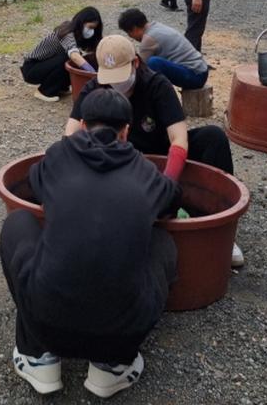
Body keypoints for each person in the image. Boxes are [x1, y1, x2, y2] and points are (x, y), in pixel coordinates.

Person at [0, 88, 180, 398]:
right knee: (163, 242)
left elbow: (35, 183)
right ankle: (111, 367)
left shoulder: (59, 156)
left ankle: (37, 356)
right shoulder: (145, 172)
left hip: (46, 323)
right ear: (126, 131)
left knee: (18, 223)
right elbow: (172, 199)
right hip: (121, 334)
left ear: (82, 126)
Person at [65, 35, 243, 267]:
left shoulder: (157, 85)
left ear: (135, 63)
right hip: (118, 161)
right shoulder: (95, 89)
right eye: (110, 78)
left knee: (213, 137)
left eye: (120, 76)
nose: (116, 84)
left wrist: (166, 184)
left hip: (160, 154)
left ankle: (219, 228)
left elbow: (179, 138)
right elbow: (71, 134)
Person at [20, 7, 103, 103]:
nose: (92, 31)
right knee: (70, 58)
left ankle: (61, 87)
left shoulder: (77, 33)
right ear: (81, 22)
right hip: (31, 68)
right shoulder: (67, 32)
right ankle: (44, 91)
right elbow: (74, 56)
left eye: (94, 28)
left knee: (76, 58)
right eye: (90, 27)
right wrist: (92, 72)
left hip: (44, 65)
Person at [118, 8, 208, 91]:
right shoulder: (156, 26)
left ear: (135, 29)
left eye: (129, 33)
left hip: (195, 76)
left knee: (153, 63)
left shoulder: (148, 39)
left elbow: (140, 69)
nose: (131, 37)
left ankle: (160, 95)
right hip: (201, 70)